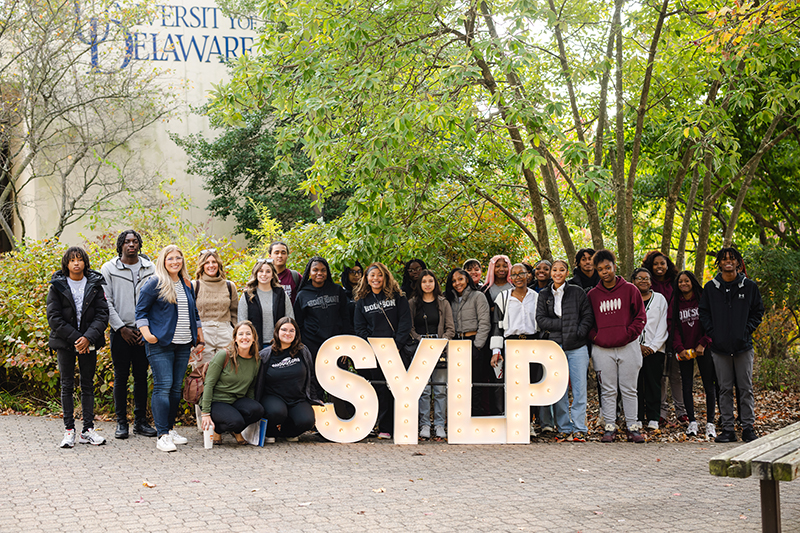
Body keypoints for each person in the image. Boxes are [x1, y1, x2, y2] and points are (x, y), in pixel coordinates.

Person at [136, 244, 206, 452]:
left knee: (176, 387)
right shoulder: (155, 283)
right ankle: (162, 434)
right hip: (161, 344)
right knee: (163, 385)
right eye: (170, 258)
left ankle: (170, 428)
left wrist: (199, 339)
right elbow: (141, 311)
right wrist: (148, 335)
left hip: (183, 343)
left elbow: (194, 314)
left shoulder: (187, 284)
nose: (175, 261)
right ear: (163, 261)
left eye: (178, 258)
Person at [699, 248, 764, 443]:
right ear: (718, 263)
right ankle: (727, 429)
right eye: (724, 259)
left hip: (743, 346)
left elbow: (758, 311)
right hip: (719, 348)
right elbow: (704, 313)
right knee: (724, 389)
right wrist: (714, 334)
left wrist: (746, 330)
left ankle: (748, 428)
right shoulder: (711, 288)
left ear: (738, 263)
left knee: (745, 388)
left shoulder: (749, 286)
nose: (728, 262)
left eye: (732, 259)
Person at [48, 247, 109, 448]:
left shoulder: (94, 284)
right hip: (66, 343)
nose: (76, 263)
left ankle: (88, 430)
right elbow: (54, 317)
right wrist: (77, 339)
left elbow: (102, 314)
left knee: (87, 385)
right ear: (66, 263)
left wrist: (88, 338)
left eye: (80, 259)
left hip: (89, 342)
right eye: (72, 260)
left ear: (85, 262)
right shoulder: (57, 285)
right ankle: (69, 431)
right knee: (67, 385)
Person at [100, 230, 157, 439]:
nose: (131, 245)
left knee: (141, 377)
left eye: (134, 241)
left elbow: (156, 300)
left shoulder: (151, 269)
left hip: (144, 332)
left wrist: (146, 329)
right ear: (120, 245)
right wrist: (120, 328)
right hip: (120, 333)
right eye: (127, 242)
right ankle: (121, 423)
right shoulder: (108, 269)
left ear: (139, 244)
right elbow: (106, 302)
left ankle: (141, 422)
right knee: (121, 377)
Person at [587, 250, 647, 443]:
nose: (605, 272)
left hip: (628, 346)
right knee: (608, 389)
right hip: (602, 349)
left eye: (608, 267)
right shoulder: (593, 295)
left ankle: (632, 426)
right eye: (600, 269)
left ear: (614, 265)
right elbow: (588, 322)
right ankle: (610, 426)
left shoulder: (630, 289)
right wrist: (597, 337)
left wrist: (628, 334)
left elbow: (640, 317)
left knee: (629, 389)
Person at [536, 259, 594, 442]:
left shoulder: (577, 292)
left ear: (567, 272)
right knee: (558, 390)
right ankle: (563, 427)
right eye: (555, 270)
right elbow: (541, 319)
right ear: (551, 272)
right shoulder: (544, 294)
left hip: (577, 346)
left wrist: (577, 331)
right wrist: (566, 325)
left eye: (562, 270)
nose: (558, 273)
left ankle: (579, 428)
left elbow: (587, 316)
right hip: (555, 346)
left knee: (579, 389)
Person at [354, 262, 412, 440]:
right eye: (372, 275)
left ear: (385, 276)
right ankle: (383, 427)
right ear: (366, 278)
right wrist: (371, 347)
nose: (376, 278)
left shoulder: (398, 297)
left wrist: (397, 345)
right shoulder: (362, 300)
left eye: (379, 275)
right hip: (374, 353)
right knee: (379, 389)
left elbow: (405, 322)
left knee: (397, 389)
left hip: (396, 349)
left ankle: (401, 426)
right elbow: (359, 327)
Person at [293, 256, 352, 400]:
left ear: (327, 272)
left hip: (337, 344)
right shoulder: (302, 295)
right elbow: (298, 323)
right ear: (309, 272)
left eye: (323, 270)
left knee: (340, 382)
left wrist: (347, 344)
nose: (319, 273)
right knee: (315, 380)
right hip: (312, 344)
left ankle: (343, 415)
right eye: (315, 270)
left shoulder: (337, 290)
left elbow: (345, 318)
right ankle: (318, 416)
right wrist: (302, 347)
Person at [254, 317, 322, 442]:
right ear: (277, 332)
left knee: (307, 421)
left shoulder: (303, 351)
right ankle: (270, 431)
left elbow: (310, 376)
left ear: (296, 333)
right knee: (277, 412)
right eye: (284, 330)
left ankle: (286, 432)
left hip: (296, 398)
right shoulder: (265, 354)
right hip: (273, 397)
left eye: (292, 330)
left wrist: (314, 397)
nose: (288, 333)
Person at [490, 263, 540, 428]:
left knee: (531, 383)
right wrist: (496, 350)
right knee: (512, 384)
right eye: (515, 274)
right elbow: (496, 326)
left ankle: (530, 423)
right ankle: (514, 422)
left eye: (522, 274)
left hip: (532, 342)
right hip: (511, 343)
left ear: (528, 275)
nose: (518, 277)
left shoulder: (536, 297)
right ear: (510, 278)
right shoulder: (503, 298)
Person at [200, 321, 264, 444]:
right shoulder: (224, 355)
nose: (244, 337)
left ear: (254, 338)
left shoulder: (256, 360)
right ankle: (218, 430)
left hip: (236, 401)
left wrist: (251, 406)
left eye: (248, 334)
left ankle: (235, 429)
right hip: (217, 401)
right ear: (235, 338)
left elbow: (250, 387)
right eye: (240, 334)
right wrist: (205, 413)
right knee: (236, 422)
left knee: (258, 410)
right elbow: (209, 384)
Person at [409, 269, 455, 440]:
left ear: (435, 283)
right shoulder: (413, 303)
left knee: (441, 388)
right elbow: (410, 328)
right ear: (419, 284)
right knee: (424, 390)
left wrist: (441, 342)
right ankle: (425, 425)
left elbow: (450, 328)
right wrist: (421, 341)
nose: (427, 284)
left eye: (430, 281)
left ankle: (440, 425)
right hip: (420, 348)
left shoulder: (443, 303)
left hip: (440, 348)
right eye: (424, 281)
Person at [642, 250, 686, 426]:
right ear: (650, 267)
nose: (659, 267)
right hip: (655, 337)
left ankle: (681, 411)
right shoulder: (646, 286)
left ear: (668, 266)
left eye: (662, 263)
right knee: (659, 376)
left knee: (676, 374)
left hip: (675, 333)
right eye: (656, 264)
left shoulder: (675, 283)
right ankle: (661, 412)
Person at [673, 270, 716, 439]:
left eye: (687, 281)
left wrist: (704, 342)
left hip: (703, 348)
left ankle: (710, 423)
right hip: (685, 350)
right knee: (687, 385)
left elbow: (712, 322)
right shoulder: (676, 302)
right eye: (680, 282)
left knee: (708, 385)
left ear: (693, 282)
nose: (683, 284)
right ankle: (692, 421)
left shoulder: (703, 298)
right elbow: (673, 326)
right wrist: (679, 348)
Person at [445, 268, 491, 418]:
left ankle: (475, 416)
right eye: (453, 281)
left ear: (467, 280)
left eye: (460, 279)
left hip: (473, 341)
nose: (457, 283)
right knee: (457, 383)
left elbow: (485, 323)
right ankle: (459, 417)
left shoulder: (478, 296)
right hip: (456, 343)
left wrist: (478, 345)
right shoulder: (449, 299)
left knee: (475, 382)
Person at [632, 268, 668, 431]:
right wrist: (636, 346)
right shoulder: (629, 298)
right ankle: (637, 417)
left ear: (651, 282)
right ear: (633, 281)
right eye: (639, 278)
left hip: (655, 350)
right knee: (636, 385)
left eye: (646, 278)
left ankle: (653, 417)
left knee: (654, 384)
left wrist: (652, 347)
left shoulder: (659, 299)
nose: (643, 281)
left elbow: (663, 325)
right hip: (633, 350)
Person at [192, 249, 238, 362]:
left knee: (227, 372)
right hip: (203, 333)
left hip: (225, 332)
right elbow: (189, 314)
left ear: (219, 264)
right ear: (202, 266)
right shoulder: (194, 286)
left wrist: (235, 334)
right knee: (202, 373)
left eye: (214, 262)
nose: (211, 265)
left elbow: (235, 313)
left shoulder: (229, 286)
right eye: (207, 262)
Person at [238, 259, 294, 350]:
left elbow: (290, 318)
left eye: (268, 271)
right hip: (254, 346)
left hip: (278, 344)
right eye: (261, 271)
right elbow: (242, 322)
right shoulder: (247, 296)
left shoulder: (281, 294)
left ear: (272, 275)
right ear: (256, 274)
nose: (264, 274)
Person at [481, 254, 513, 416]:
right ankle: (497, 411)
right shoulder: (485, 290)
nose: (501, 269)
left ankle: (513, 410)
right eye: (498, 266)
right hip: (492, 338)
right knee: (495, 376)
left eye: (504, 265)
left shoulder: (515, 288)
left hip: (512, 336)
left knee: (513, 374)